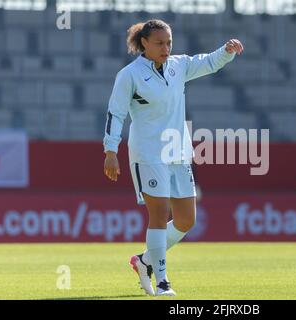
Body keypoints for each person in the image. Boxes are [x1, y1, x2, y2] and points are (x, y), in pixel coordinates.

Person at [103, 19, 243, 297]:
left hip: (178, 150)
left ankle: (144, 261)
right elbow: (115, 113)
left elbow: (208, 62)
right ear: (144, 43)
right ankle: (163, 280)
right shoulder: (129, 75)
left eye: (169, 42)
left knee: (186, 220)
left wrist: (227, 50)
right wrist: (110, 151)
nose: (166, 48)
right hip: (148, 152)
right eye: (159, 43)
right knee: (158, 215)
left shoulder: (179, 65)